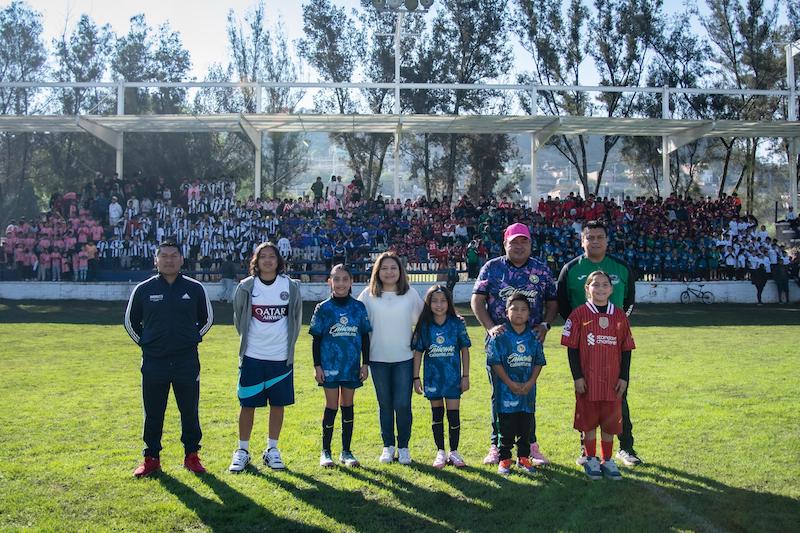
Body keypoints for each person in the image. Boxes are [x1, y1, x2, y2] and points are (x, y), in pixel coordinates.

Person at [124, 240, 214, 477]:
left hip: (187, 361)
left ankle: (192, 456)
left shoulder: (195, 288)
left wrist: (190, 340)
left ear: (182, 259)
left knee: (189, 411)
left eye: (174, 255)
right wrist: (147, 344)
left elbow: (207, 320)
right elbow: (130, 322)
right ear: (156, 260)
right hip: (154, 363)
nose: (169, 259)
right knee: (153, 412)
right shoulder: (143, 289)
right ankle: (151, 458)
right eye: (164, 255)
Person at [557, 220, 642, 467]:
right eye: (590, 237)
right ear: (582, 240)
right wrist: (584, 329)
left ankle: (626, 447)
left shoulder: (621, 267)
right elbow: (562, 303)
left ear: (607, 240)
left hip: (613, 346)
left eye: (599, 237)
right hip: (585, 347)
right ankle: (587, 452)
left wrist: (616, 325)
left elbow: (630, 301)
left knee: (618, 395)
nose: (594, 241)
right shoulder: (570, 268)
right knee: (585, 397)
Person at [471, 222, 557, 466]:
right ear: (505, 244)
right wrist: (489, 327)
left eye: (524, 241)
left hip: (529, 345)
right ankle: (497, 446)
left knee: (528, 392)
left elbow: (553, 302)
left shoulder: (541, 270)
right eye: (513, 242)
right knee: (499, 395)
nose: (519, 246)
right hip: (500, 345)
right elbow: (477, 300)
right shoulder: (492, 268)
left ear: (530, 243)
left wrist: (545, 325)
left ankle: (530, 445)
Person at [228, 242, 303, 473]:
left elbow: (297, 318)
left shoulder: (289, 286)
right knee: (247, 405)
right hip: (252, 356)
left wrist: (287, 347)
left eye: (272, 256)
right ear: (256, 261)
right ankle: (242, 451)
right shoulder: (246, 286)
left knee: (277, 405)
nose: (268, 260)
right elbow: (239, 318)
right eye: (263, 257)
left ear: (278, 260)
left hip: (280, 358)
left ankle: (272, 450)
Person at [561, 271, 635, 481]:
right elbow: (572, 349)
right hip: (588, 380)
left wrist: (624, 377)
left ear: (611, 289)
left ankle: (608, 459)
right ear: (587, 289)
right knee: (589, 422)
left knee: (610, 422)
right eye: (596, 285)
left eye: (605, 285)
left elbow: (626, 349)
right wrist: (577, 377)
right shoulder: (578, 315)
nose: (600, 289)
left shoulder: (619, 315)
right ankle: (591, 458)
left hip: (612, 381)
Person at [358, 251, 423, 465]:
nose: (389, 272)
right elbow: (355, 321)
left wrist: (452, 316)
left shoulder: (410, 294)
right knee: (385, 404)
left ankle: (403, 447)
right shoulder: (368, 295)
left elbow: (425, 319)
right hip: (377, 359)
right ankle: (388, 446)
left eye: (393, 268)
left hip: (404, 358)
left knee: (403, 404)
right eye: (384, 268)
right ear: (378, 271)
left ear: (400, 271)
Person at [309, 264, 372, 468]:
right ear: (330, 282)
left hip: (351, 366)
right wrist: (317, 366)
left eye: (345, 279)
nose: (341, 283)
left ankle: (346, 451)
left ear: (351, 282)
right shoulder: (323, 308)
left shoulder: (358, 307)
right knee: (331, 405)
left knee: (348, 405)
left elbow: (364, 337)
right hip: (330, 365)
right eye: (336, 279)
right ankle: (325, 451)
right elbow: (316, 339)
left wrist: (365, 364)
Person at [411, 285, 471, 469]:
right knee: (437, 415)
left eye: (443, 300)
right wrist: (416, 377)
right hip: (433, 378)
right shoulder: (425, 326)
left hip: (453, 379)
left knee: (453, 415)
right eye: (434, 301)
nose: (439, 305)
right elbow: (418, 353)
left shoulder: (457, 323)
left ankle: (453, 452)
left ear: (449, 302)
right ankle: (440, 451)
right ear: (428, 304)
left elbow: (464, 350)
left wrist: (465, 376)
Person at [486, 294, 546, 475]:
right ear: (506, 312)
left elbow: (538, 361)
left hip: (528, 392)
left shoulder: (534, 336)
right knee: (506, 428)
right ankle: (504, 459)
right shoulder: (500, 335)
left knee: (526, 427)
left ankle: (524, 458)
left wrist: (530, 382)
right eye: (514, 309)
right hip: (506, 392)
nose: (519, 313)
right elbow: (495, 362)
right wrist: (510, 383)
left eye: (523, 309)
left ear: (529, 313)